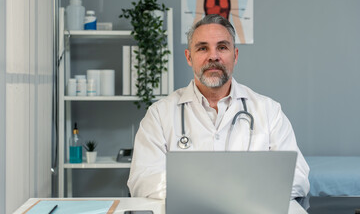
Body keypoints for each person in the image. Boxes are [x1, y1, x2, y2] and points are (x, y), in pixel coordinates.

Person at [127, 14, 310, 200]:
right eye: (203, 48)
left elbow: (298, 176)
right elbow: (143, 180)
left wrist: (219, 195)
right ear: (189, 57)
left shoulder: (269, 111)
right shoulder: (159, 114)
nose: (213, 56)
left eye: (222, 47)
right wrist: (220, 195)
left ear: (235, 55)